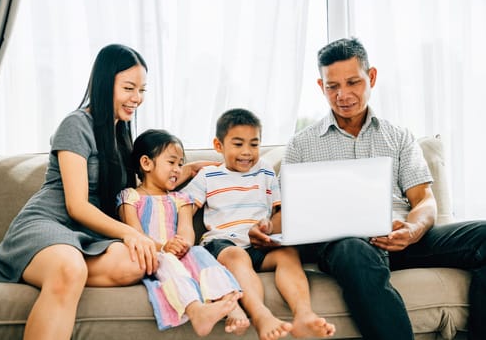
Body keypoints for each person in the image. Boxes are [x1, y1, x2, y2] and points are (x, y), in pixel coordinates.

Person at [0, 44, 214, 339]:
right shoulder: (76, 124)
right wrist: (130, 233)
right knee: (70, 270)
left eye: (142, 90)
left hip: (88, 236)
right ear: (106, 83)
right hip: (49, 223)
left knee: (139, 263)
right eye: (129, 88)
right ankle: (20, 267)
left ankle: (3, 274)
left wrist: (188, 171)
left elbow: (138, 184)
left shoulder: (122, 134)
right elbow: (77, 206)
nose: (137, 99)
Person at [249, 37, 486, 340]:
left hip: (400, 238)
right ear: (321, 87)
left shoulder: (398, 136)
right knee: (351, 249)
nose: (343, 95)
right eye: (332, 86)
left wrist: (411, 230)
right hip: (345, 245)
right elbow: (288, 212)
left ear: (371, 77)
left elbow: (424, 200)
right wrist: (267, 229)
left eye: (353, 82)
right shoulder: (302, 144)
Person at [181, 108, 336, 340]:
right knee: (237, 256)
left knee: (288, 254)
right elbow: (183, 207)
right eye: (238, 144)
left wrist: (269, 227)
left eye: (254, 144)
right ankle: (261, 315)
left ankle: (303, 315)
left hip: (258, 244)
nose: (247, 152)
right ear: (218, 145)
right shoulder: (208, 175)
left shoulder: (265, 171)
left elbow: (278, 212)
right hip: (223, 245)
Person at [116, 128, 246, 336]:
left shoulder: (180, 199)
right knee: (167, 261)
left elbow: (186, 230)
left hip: (179, 251)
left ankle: (232, 306)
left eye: (181, 164)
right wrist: (163, 247)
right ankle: (197, 311)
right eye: (171, 162)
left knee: (200, 254)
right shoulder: (130, 197)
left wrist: (183, 244)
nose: (178, 169)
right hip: (152, 253)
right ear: (146, 163)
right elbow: (134, 232)